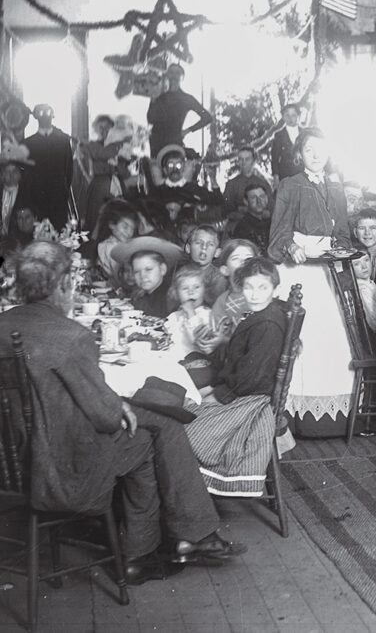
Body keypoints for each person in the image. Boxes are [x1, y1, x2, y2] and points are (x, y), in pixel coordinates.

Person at [0, 241, 244, 584]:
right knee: (152, 435)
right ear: (64, 285)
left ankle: (179, 541)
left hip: (11, 464)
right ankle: (146, 552)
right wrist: (121, 408)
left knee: (155, 420)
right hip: (60, 470)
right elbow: (104, 417)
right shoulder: (70, 336)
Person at [267, 128, 354, 437]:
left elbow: (342, 233)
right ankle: (293, 422)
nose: (317, 155)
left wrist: (341, 250)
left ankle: (331, 422)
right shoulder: (291, 185)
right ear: (299, 155)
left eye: (322, 148)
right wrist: (292, 248)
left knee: (336, 339)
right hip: (302, 269)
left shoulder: (336, 185)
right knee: (304, 337)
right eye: (309, 150)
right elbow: (278, 233)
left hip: (328, 268)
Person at [186, 257, 289, 496]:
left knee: (188, 425)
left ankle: (192, 488)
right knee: (189, 399)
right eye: (249, 287)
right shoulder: (260, 315)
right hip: (243, 388)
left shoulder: (267, 325)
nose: (254, 295)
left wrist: (218, 395)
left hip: (250, 396)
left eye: (263, 288)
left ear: (275, 290)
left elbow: (250, 378)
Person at [21, 104, 74, 231]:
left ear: (53, 117)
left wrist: (63, 191)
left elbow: (69, 171)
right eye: (41, 114)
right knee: (38, 236)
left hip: (58, 198)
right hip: (36, 199)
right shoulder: (28, 144)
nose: (45, 117)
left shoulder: (63, 142)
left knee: (60, 234)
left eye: (48, 114)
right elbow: (25, 174)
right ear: (36, 118)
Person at [111, 236, 185, 318]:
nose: (142, 276)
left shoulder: (171, 298)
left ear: (162, 269)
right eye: (137, 272)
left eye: (148, 269)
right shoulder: (140, 296)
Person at [146, 64, 212, 156]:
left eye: (177, 73)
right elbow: (151, 120)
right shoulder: (159, 97)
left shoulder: (187, 99)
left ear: (183, 77)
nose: (174, 75)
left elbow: (207, 118)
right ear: (167, 75)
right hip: (156, 144)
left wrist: (187, 131)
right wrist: (153, 100)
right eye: (171, 72)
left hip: (175, 142)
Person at [77, 114, 128, 233]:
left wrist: (122, 161)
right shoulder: (92, 145)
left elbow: (123, 171)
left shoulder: (118, 147)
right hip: (99, 185)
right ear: (96, 129)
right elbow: (102, 154)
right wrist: (120, 144)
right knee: (97, 218)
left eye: (108, 127)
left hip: (117, 183)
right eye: (101, 127)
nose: (105, 130)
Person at [210, 239, 259, 341]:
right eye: (236, 258)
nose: (244, 262)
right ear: (225, 270)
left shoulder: (264, 295)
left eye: (249, 258)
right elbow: (218, 336)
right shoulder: (222, 303)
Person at [222, 146, 272, 216]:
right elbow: (225, 208)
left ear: (254, 161)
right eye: (241, 159)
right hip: (237, 224)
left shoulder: (263, 184)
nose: (243, 162)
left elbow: (270, 210)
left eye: (247, 159)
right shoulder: (231, 184)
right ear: (238, 162)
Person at [185, 224, 226, 305]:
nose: (204, 247)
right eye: (198, 243)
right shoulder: (178, 271)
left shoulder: (219, 279)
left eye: (210, 244)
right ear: (188, 248)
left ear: (217, 253)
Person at [230, 180, 272, 253]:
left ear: (266, 199)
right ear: (246, 202)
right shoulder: (242, 228)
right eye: (253, 198)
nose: (259, 201)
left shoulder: (272, 222)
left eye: (261, 196)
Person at [270, 104, 304, 184]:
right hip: (285, 174)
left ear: (299, 116)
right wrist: (276, 176)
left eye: (293, 115)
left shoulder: (305, 133)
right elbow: (274, 157)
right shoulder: (279, 135)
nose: (290, 118)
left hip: (303, 173)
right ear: (283, 117)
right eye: (287, 115)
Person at [0, 153, 32, 238]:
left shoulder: (27, 193)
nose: (11, 175)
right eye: (7, 172)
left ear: (20, 174)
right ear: (1, 175)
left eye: (15, 171)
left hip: (19, 240)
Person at [351, 208, 376, 272]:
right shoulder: (351, 257)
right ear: (355, 232)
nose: (367, 232)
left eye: (373, 228)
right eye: (362, 228)